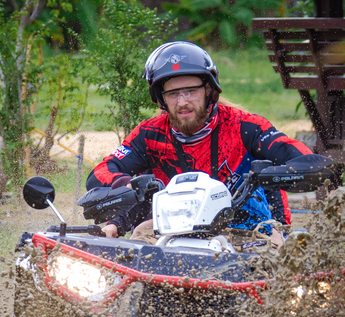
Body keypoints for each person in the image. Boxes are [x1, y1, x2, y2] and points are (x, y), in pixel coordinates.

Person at [86, 41, 313, 238]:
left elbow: (295, 153)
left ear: (209, 91)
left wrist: (300, 168)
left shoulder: (245, 126)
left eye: (191, 91)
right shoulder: (149, 135)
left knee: (281, 258)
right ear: (161, 100)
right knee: (140, 236)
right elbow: (100, 173)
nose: (182, 102)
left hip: (249, 230)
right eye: (173, 94)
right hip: (173, 233)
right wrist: (126, 187)